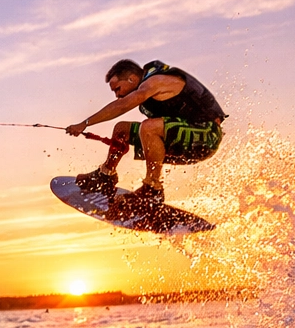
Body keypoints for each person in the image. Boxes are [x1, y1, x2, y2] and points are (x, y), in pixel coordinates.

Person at [66, 59, 226, 217]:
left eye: (118, 89)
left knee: (149, 127)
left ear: (132, 79)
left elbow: (122, 106)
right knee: (122, 130)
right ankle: (106, 176)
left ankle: (152, 190)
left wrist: (84, 124)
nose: (118, 95)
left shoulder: (155, 82)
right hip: (183, 136)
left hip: (206, 136)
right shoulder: (147, 86)